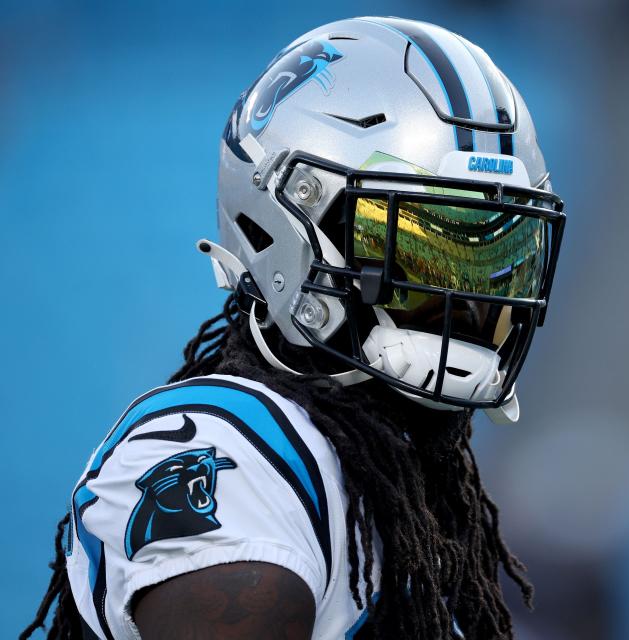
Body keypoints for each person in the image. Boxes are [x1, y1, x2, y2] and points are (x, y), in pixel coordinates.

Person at [22, 16, 566, 640]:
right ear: (284, 222)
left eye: (498, 258)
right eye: (418, 248)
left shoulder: (394, 469)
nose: (465, 300)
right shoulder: (235, 465)